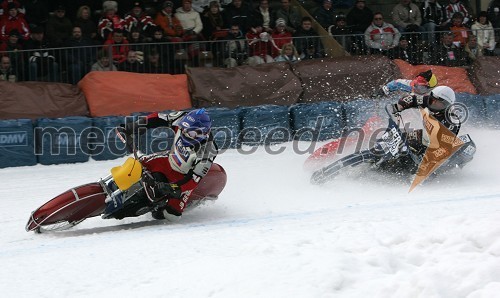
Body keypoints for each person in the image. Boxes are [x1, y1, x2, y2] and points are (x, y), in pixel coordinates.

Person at [104, 108, 218, 221]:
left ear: (204, 133)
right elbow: (158, 118)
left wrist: (172, 188)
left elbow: (193, 180)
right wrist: (133, 127)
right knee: (138, 166)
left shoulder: (208, 151)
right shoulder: (181, 118)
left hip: (183, 176)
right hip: (169, 160)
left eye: (191, 133)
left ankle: (156, 205)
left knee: (171, 215)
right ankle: (112, 183)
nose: (185, 134)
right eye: (184, 129)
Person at [386, 85, 460, 165]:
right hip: (425, 136)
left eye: (438, 104)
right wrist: (398, 107)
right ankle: (384, 152)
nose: (433, 104)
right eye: (432, 100)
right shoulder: (428, 100)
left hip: (438, 146)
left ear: (446, 105)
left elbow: (446, 144)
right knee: (402, 136)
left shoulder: (451, 120)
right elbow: (412, 99)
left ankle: (423, 165)